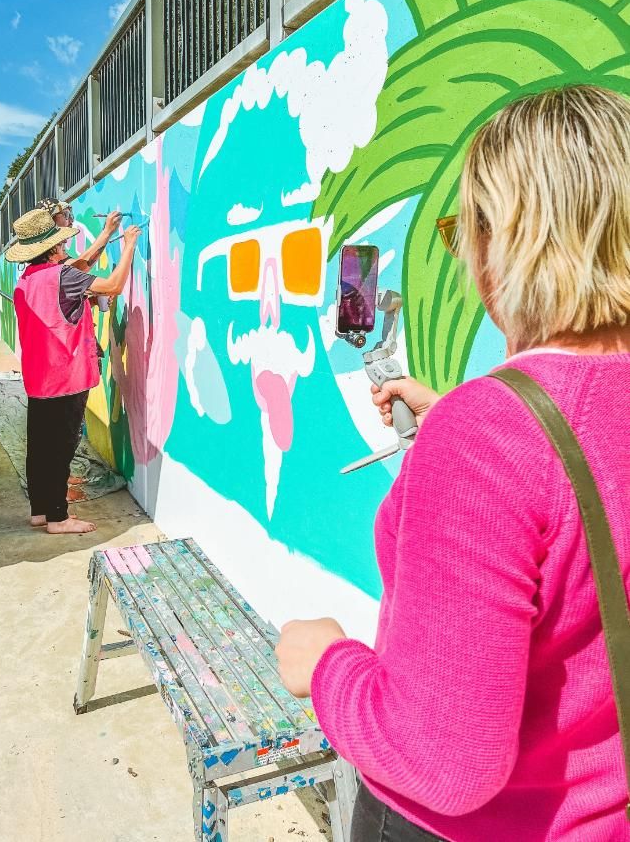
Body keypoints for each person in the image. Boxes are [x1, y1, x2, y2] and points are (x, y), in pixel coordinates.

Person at [276, 85, 630, 840]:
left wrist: (325, 662)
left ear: (507, 242)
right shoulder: (508, 429)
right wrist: (459, 422)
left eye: (463, 230)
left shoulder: (487, 436)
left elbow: (443, 759)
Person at [6, 208, 141, 535]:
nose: (66, 247)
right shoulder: (62, 277)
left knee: (40, 448)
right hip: (66, 379)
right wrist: (129, 246)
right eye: (62, 243)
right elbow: (112, 286)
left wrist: (106, 233)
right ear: (53, 247)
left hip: (39, 380)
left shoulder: (27, 280)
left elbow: (74, 274)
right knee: (61, 450)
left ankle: (41, 511)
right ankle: (58, 518)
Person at [38, 199, 122, 272]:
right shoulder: (42, 258)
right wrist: (107, 232)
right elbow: (77, 268)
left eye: (71, 215)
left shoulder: (59, 256)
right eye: (66, 215)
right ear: (49, 221)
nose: (71, 221)